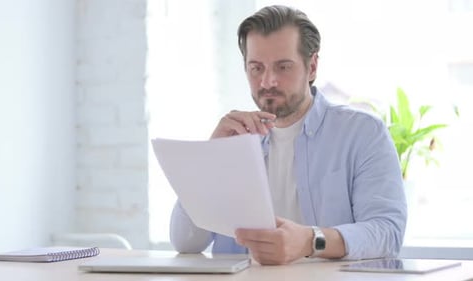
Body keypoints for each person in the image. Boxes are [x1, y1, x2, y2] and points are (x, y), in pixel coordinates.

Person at [169, 5, 407, 265]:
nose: (268, 81)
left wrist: (310, 241)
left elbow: (387, 232)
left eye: (283, 67)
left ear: (312, 66)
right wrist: (211, 157)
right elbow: (186, 242)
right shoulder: (235, 138)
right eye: (256, 68)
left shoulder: (362, 133)